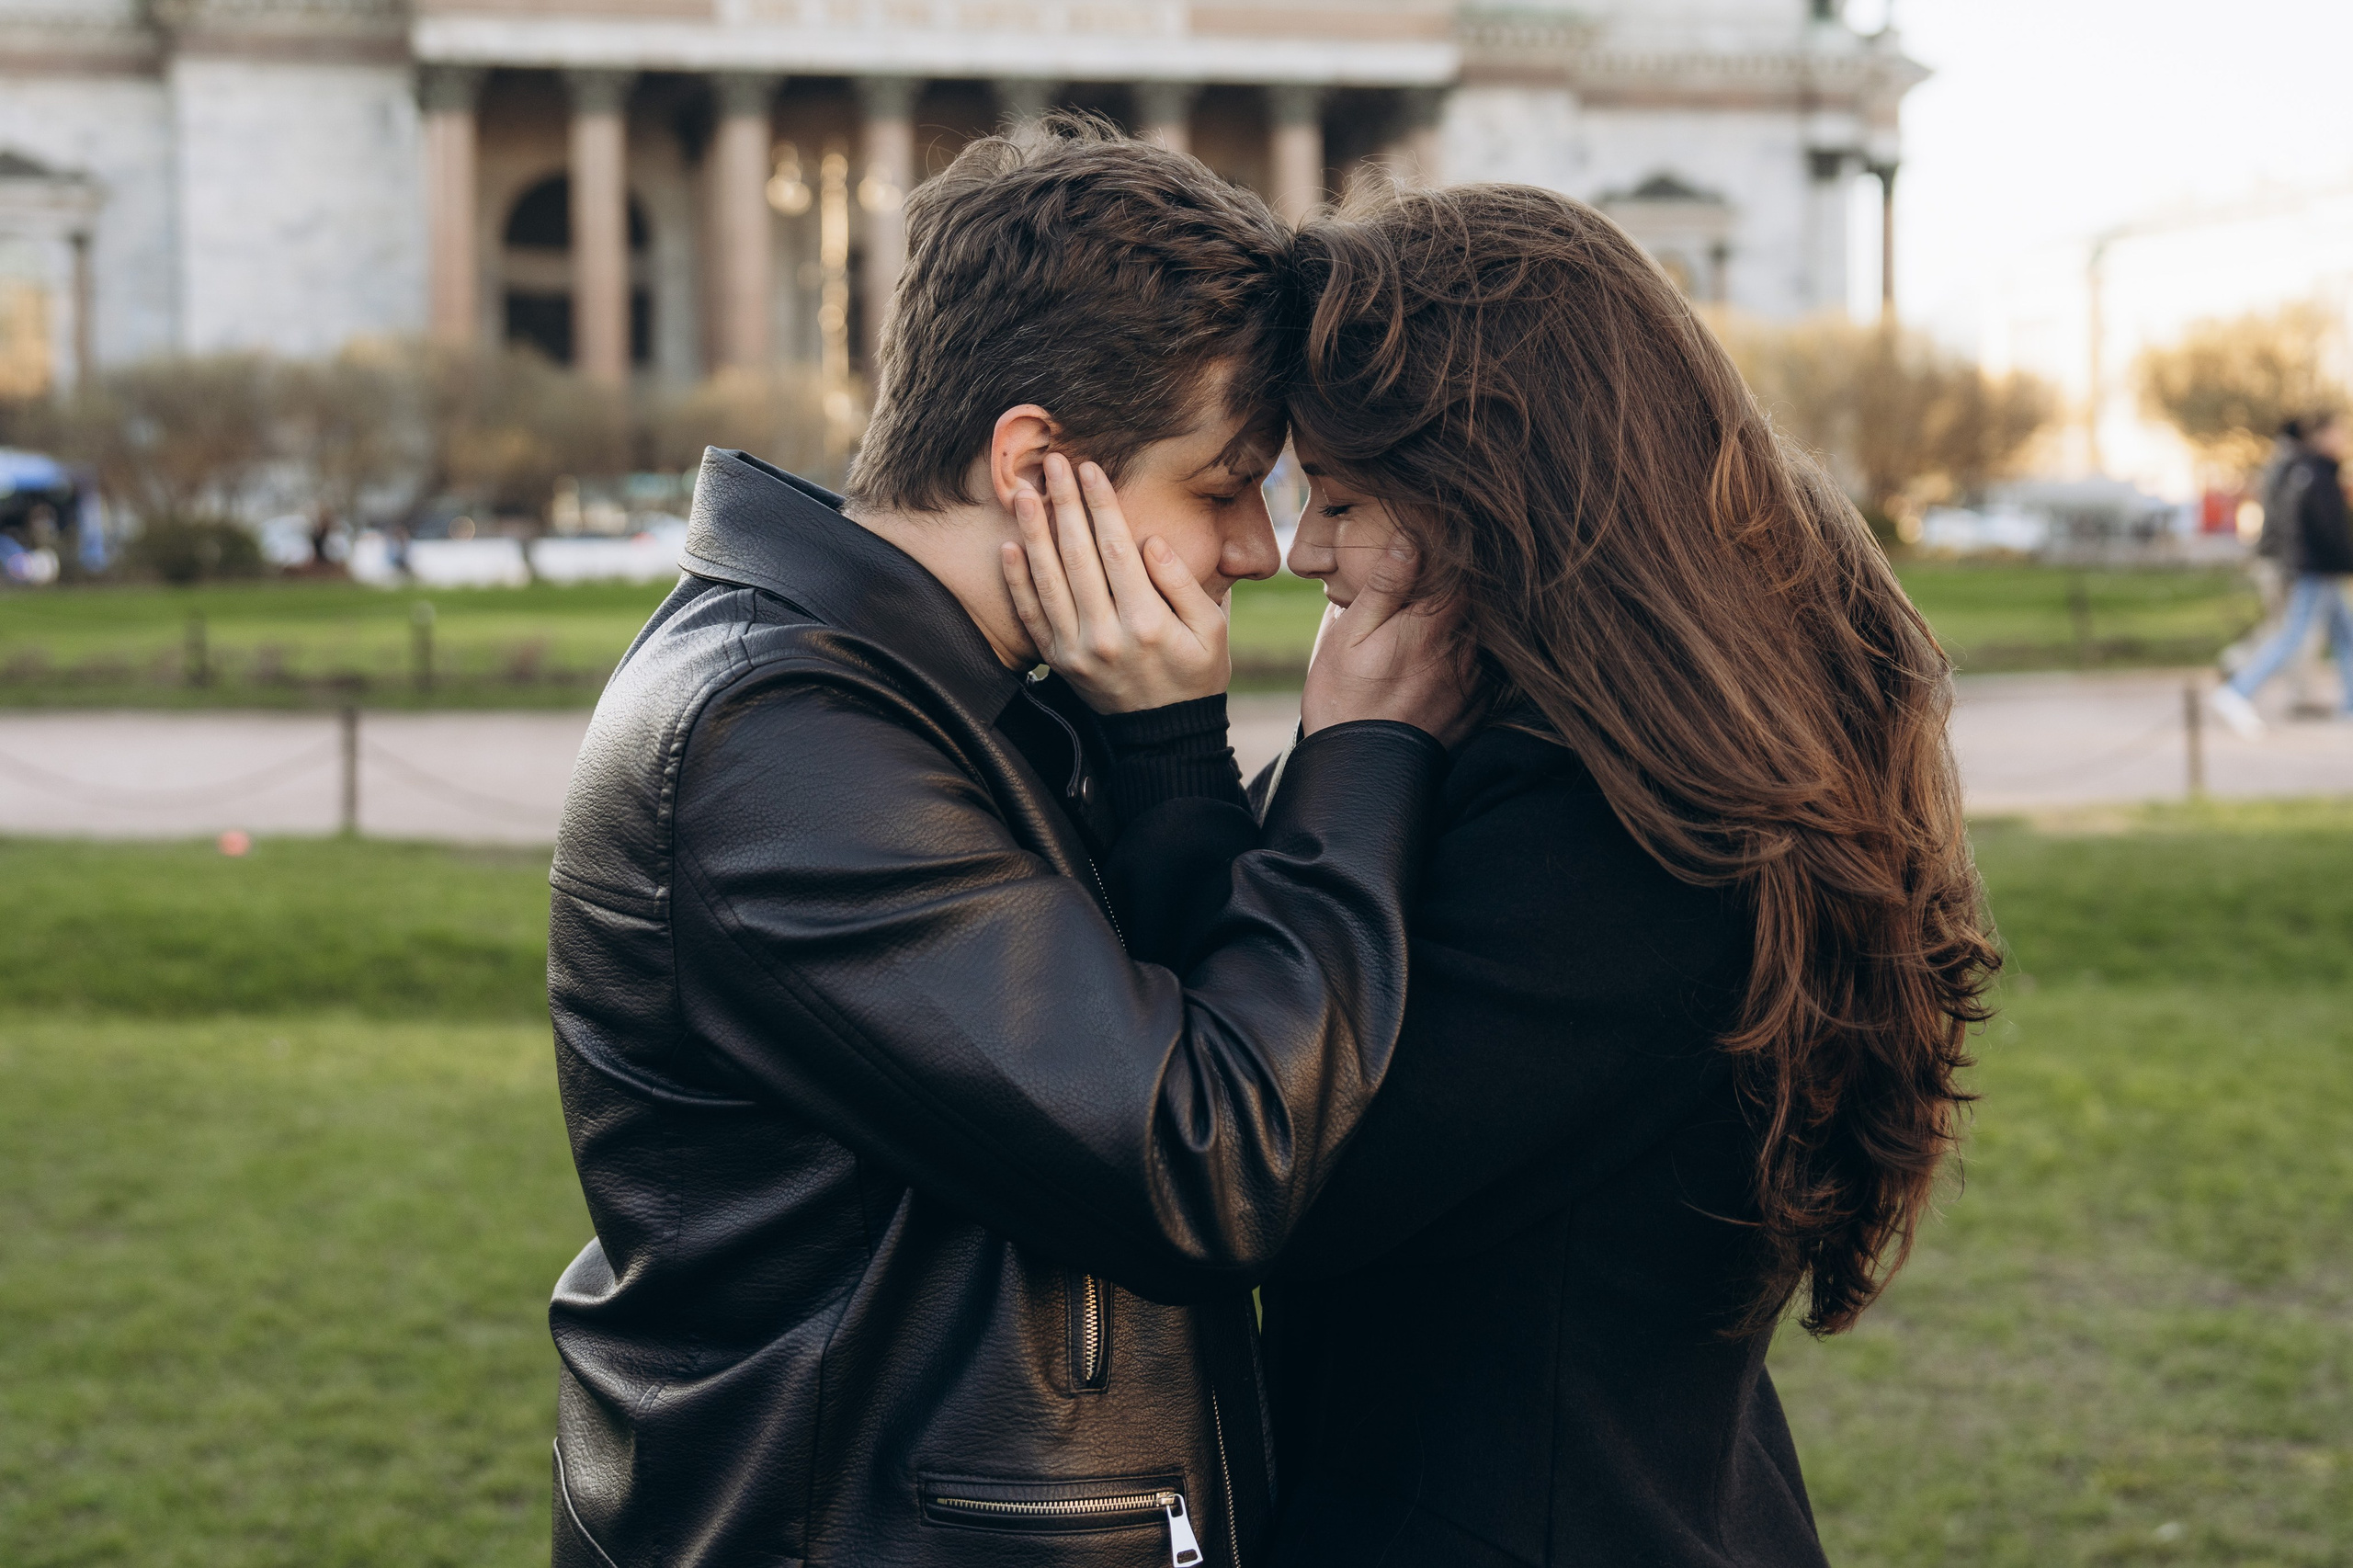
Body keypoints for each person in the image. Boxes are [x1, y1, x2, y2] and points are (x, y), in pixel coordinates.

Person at [1010, 183, 2000, 1566]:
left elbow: (1268, 1173)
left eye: (1343, 498)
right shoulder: (1556, 744)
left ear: (1497, 494)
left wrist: (1181, 752)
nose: (1300, 552)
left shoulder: (1639, 824)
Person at [542, 124, 1471, 1567]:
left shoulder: (933, 697)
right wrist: (1364, 758)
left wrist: (1160, 743)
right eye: (1221, 483)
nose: (1252, 550)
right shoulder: (782, 741)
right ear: (1036, 460)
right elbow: (1205, 1150)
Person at [2211, 410, 2353, 736]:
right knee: (2293, 634)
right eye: (2338, 433)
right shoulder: (2312, 474)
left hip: (2313, 567)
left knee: (2344, 636)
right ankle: (2238, 689)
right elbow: (2323, 530)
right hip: (2315, 568)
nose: (2344, 440)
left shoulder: (2305, 471)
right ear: (2321, 436)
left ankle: (2349, 702)